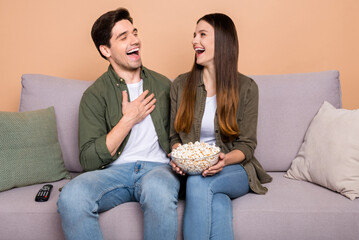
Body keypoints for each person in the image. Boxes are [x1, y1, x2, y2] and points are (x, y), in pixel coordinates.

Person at [57, 8, 180, 240]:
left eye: (134, 33)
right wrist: (128, 120)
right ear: (106, 50)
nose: (135, 40)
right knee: (72, 196)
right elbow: (88, 159)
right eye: (123, 37)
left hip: (158, 170)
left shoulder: (164, 86)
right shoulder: (94, 94)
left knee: (158, 190)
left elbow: (180, 139)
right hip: (113, 173)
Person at [169, 13, 272, 240]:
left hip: (233, 168)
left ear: (223, 41)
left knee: (199, 182)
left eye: (202, 34)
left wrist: (222, 160)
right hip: (193, 170)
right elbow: (173, 137)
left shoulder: (247, 87)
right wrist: (178, 156)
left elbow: (247, 146)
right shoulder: (179, 85)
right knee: (218, 203)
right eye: (194, 35)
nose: (195, 40)